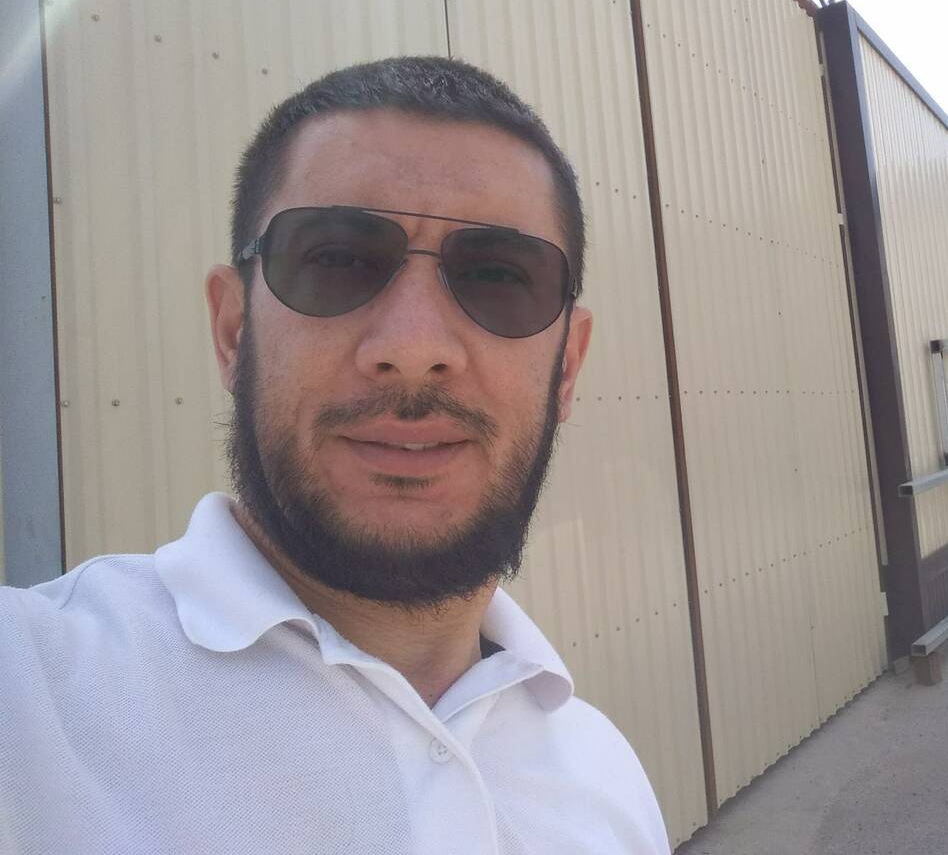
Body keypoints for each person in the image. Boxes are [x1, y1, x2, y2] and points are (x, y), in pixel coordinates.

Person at [0, 57, 670, 855]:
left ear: (566, 370)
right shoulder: (32, 695)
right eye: (338, 261)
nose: (414, 347)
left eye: (497, 276)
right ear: (233, 331)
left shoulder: (606, 781)